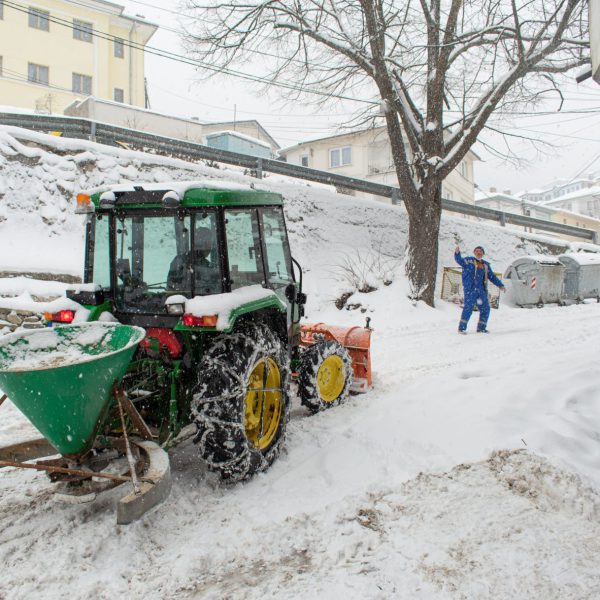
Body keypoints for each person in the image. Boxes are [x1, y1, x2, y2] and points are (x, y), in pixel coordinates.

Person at [454, 245, 505, 334]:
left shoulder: (485, 265)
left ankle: (481, 328)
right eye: (477, 251)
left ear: (483, 253)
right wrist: (457, 253)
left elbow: (492, 276)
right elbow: (459, 260)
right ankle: (461, 328)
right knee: (468, 308)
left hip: (481, 290)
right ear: (474, 252)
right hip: (470, 289)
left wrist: (500, 285)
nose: (478, 252)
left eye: (480, 251)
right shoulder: (468, 261)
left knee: (486, 308)